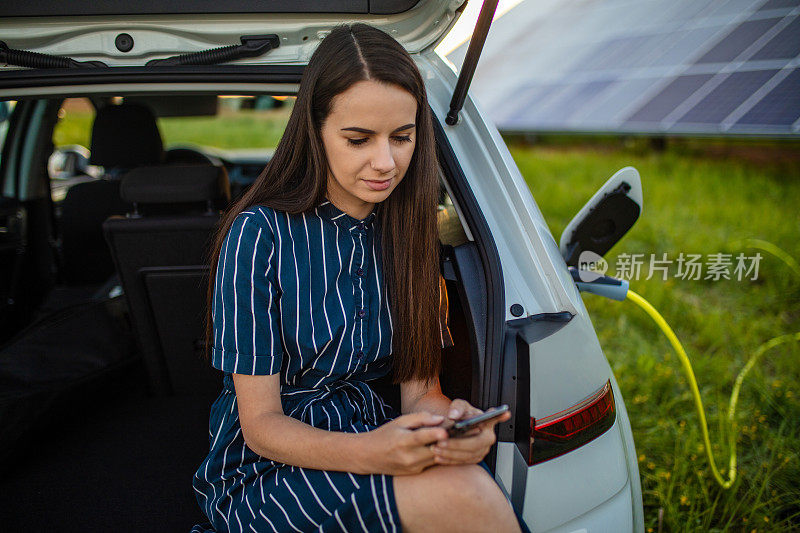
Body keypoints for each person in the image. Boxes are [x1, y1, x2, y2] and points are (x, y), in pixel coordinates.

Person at [191, 22, 526, 533]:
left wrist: (449, 424)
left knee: (466, 482)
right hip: (269, 466)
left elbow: (420, 392)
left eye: (402, 137)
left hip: (377, 432)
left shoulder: (412, 232)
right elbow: (260, 426)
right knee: (463, 497)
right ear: (316, 132)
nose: (385, 162)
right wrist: (372, 453)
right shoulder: (258, 234)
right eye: (358, 139)